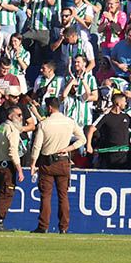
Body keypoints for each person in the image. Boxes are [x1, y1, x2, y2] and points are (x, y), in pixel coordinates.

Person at [27, 97, 86, 234]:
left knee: (46, 196)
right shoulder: (69, 122)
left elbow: (37, 146)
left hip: (47, 162)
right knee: (63, 196)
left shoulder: (45, 124)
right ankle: (64, 227)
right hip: (63, 161)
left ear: (49, 108)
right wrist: (70, 148)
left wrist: (33, 163)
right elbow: (82, 139)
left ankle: (43, 226)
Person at [0, 105, 23, 232]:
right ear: (10, 116)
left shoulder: (2, 127)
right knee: (6, 193)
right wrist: (19, 169)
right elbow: (13, 151)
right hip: (7, 165)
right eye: (18, 115)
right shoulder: (12, 130)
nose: (21, 117)